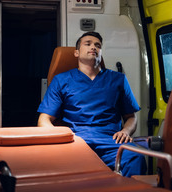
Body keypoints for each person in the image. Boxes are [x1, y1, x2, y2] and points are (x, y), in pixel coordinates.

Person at [37, 31, 146, 177]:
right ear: (76, 53)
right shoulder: (61, 80)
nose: (93, 47)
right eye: (87, 44)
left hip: (111, 142)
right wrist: (62, 138)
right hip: (76, 142)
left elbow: (131, 117)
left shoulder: (118, 79)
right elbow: (44, 120)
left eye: (97, 45)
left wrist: (125, 131)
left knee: (136, 157)